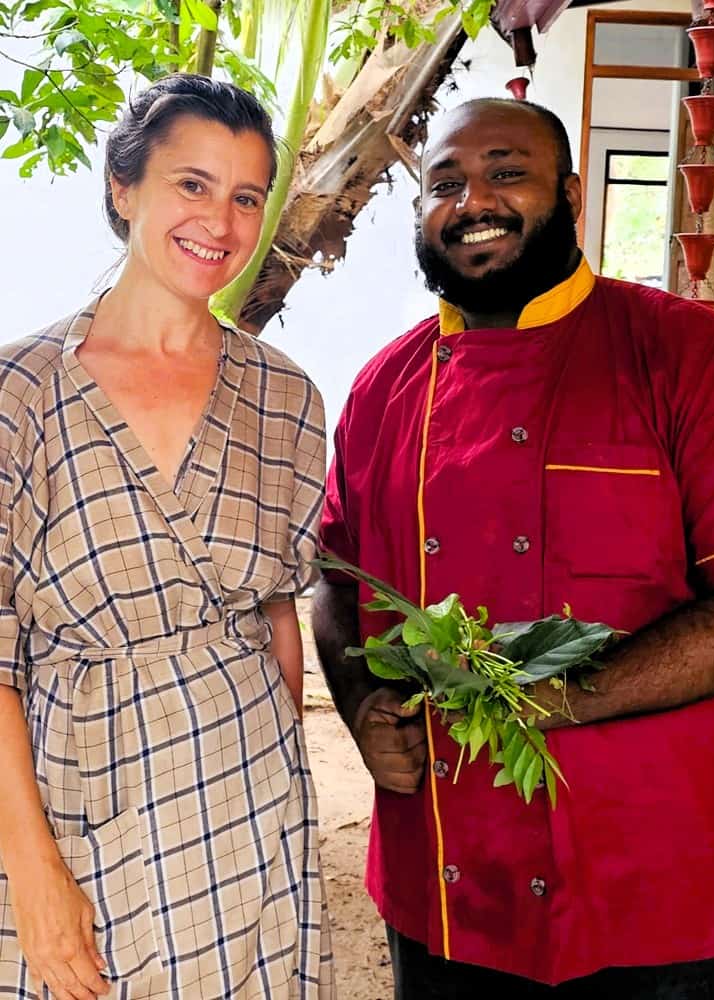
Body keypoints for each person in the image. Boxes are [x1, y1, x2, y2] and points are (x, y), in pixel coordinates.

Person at [312, 96, 714, 999]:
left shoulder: (690, 355)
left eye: (505, 172)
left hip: (657, 889)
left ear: (569, 196)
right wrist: (363, 706)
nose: (472, 198)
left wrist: (557, 699)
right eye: (444, 183)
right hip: (447, 879)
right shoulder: (381, 387)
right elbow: (336, 579)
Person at [0, 74, 334, 999]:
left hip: (246, 782)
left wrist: (289, 794)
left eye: (244, 196)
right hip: (72, 787)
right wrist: (31, 871)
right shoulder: (17, 393)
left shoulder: (287, 397)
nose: (218, 223)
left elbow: (277, 614)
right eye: (191, 184)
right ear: (123, 185)